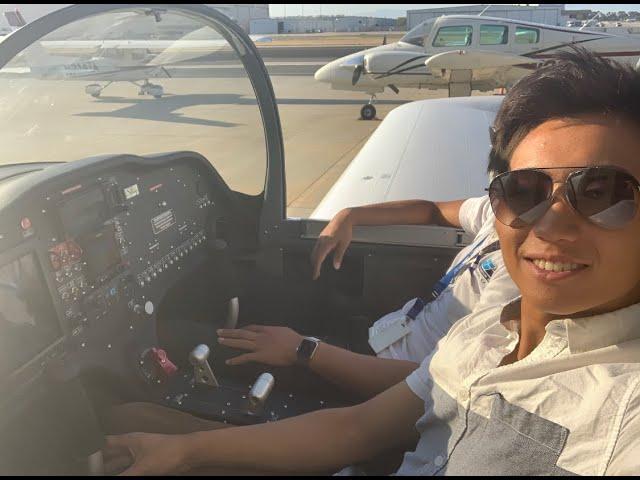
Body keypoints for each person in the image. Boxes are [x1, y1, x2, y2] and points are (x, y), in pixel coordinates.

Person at [104, 47, 640, 475]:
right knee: (130, 426)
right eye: (523, 191)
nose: (550, 223)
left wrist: (304, 351)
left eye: (603, 193)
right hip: (378, 387)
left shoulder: (623, 411)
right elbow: (355, 432)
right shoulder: (488, 334)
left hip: (368, 367)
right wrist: (187, 454)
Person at [215, 195, 518, 399]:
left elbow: (435, 383)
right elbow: (433, 210)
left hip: (383, 382)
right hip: (379, 335)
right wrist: (349, 215)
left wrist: (302, 349)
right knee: (272, 298)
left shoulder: (515, 286)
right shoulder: (502, 211)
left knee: (222, 353)